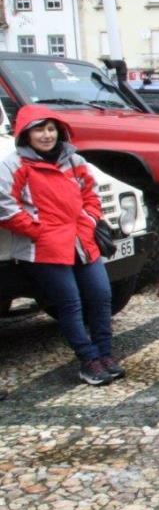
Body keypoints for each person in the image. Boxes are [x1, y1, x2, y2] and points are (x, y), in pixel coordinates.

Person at [0, 106, 120, 386]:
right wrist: (37, 232)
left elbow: (92, 195)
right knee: (70, 303)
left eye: (51, 129)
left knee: (101, 296)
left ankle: (105, 354)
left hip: (81, 241)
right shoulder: (13, 165)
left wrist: (88, 222)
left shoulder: (74, 160)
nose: (46, 135)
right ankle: (88, 359)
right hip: (43, 248)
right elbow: (6, 206)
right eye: (39, 130)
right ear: (26, 134)